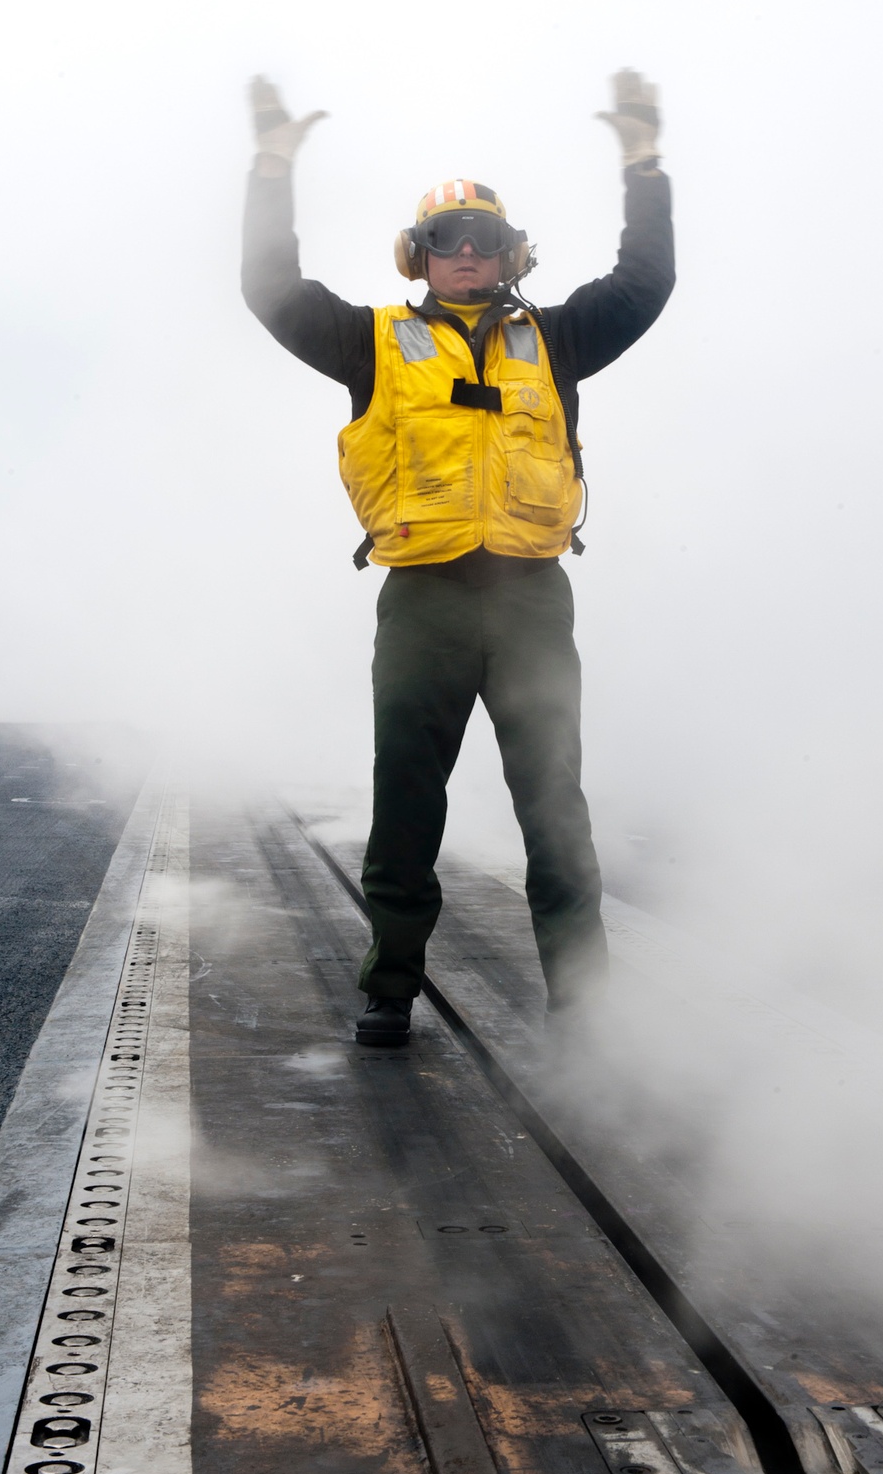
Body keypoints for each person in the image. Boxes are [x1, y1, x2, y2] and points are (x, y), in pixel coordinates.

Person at [242, 71, 675, 1046]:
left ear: (510, 251)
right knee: (405, 791)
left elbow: (644, 283)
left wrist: (642, 159)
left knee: (554, 804)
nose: (466, 250)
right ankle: (390, 983)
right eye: (446, 238)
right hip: (425, 600)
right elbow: (268, 289)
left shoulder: (555, 339)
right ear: (418, 256)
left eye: (482, 236)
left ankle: (585, 1009)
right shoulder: (371, 343)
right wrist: (272, 166)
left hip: (530, 600)